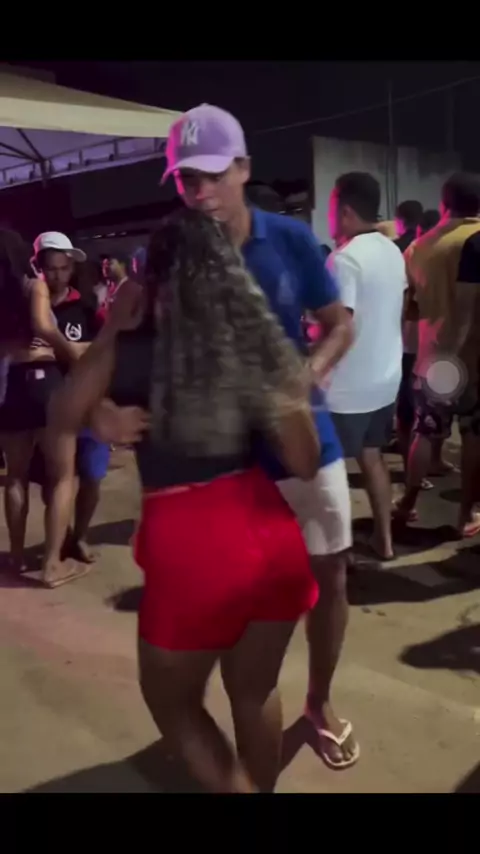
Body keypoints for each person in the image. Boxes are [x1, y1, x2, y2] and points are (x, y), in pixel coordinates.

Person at [48, 208, 320, 793]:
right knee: (256, 691)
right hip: (269, 534)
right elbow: (304, 461)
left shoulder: (134, 347)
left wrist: (104, 381)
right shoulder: (251, 345)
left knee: (172, 702)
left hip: (194, 544)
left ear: (153, 275)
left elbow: (62, 413)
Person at [159, 103, 358, 769]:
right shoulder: (171, 254)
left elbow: (339, 324)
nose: (201, 192)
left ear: (243, 168)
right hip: (224, 458)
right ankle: (251, 706)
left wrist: (307, 377)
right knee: (240, 595)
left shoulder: (290, 240)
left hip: (303, 442)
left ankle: (319, 700)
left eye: (213, 175)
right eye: (187, 179)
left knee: (330, 576)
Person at [326, 172, 407, 561]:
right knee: (372, 456)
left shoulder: (344, 259)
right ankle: (384, 541)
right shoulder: (392, 251)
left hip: (347, 388)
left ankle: (336, 551)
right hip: (385, 380)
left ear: (344, 211)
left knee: (329, 471)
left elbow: (339, 328)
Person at [394, 173, 480, 536]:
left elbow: (410, 308)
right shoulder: (475, 239)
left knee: (425, 432)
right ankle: (466, 514)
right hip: (472, 360)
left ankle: (407, 503)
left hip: (431, 357)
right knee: (474, 435)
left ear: (444, 205)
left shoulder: (417, 247)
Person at [28, 232, 111, 586]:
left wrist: (66, 350)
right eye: (52, 268)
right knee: (55, 479)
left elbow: (107, 347)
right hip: (49, 410)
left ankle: (79, 536)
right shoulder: (32, 307)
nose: (58, 275)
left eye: (64, 268)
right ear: (39, 268)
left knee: (91, 476)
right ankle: (58, 540)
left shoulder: (87, 306)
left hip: (89, 403)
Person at [0, 229, 80, 574]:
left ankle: (16, 556)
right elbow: (44, 327)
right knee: (62, 476)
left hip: (11, 386)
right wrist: (72, 354)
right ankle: (51, 563)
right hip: (45, 381)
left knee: (15, 477)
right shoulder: (34, 286)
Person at [396, 207, 448, 505]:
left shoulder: (414, 253)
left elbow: (405, 305)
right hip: (436, 346)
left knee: (417, 417)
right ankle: (421, 471)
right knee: (430, 415)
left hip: (414, 346)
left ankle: (413, 479)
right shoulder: (436, 253)